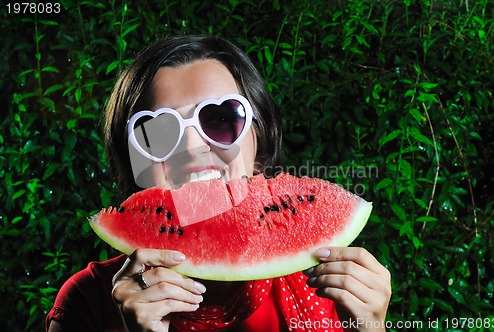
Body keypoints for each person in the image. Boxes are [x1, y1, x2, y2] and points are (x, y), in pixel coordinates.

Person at [46, 35, 391, 332]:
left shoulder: (334, 293)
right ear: (134, 162)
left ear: (260, 140)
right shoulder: (87, 303)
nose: (193, 147)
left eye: (221, 118)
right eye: (159, 132)